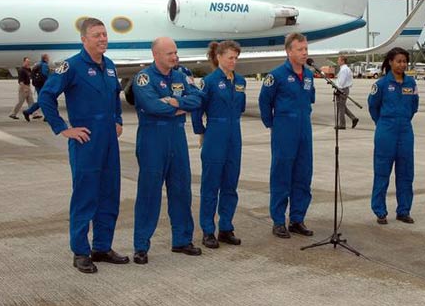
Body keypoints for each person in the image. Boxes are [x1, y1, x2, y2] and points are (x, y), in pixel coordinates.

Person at [39, 18, 128, 274]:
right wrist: (63, 128)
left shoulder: (109, 66)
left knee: (109, 195)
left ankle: (102, 247)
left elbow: (114, 96)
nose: (102, 39)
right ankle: (80, 251)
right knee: (85, 196)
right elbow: (46, 96)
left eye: (104, 34)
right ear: (84, 39)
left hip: (109, 141)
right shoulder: (72, 66)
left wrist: (118, 120)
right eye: (97, 35)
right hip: (86, 140)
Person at [131, 36, 205, 264]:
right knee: (149, 193)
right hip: (153, 139)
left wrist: (175, 103)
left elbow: (199, 98)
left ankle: (182, 240)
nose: (175, 57)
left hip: (177, 138)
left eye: (175, 52)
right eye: (169, 53)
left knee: (181, 189)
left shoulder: (181, 75)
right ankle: (141, 246)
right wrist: (180, 105)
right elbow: (151, 105)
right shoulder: (143, 78)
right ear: (155, 55)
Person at [258, 32, 316, 239]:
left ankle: (297, 219)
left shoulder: (309, 75)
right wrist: (272, 124)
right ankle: (279, 221)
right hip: (284, 130)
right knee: (282, 175)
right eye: (300, 49)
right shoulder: (276, 75)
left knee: (303, 174)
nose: (304, 53)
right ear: (289, 51)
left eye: (306, 49)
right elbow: (264, 102)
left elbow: (310, 99)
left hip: (304, 130)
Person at [191, 41, 246, 249]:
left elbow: (239, 106)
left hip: (235, 134)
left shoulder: (240, 81)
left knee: (230, 184)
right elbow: (197, 108)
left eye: (236, 58)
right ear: (219, 57)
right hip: (215, 132)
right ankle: (207, 230)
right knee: (211, 184)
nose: (234, 61)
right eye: (230, 57)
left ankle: (226, 227)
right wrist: (201, 132)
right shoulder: (209, 81)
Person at [368, 47, 419, 224]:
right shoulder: (381, 84)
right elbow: (373, 107)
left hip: (405, 130)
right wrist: (383, 123)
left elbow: (414, 106)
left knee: (406, 172)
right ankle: (380, 211)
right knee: (382, 171)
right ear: (390, 62)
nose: (402, 64)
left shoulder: (411, 83)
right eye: (398, 61)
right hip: (386, 131)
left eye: (404, 61)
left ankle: (404, 210)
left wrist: (402, 120)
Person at [23, 53, 50, 121]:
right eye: (48, 58)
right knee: (44, 100)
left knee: (42, 100)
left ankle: (46, 117)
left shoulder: (37, 64)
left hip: (37, 85)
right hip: (43, 85)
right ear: (46, 59)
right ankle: (28, 112)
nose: (49, 59)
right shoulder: (44, 65)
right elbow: (45, 75)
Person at [335, 55, 359, 129]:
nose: (337, 61)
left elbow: (341, 82)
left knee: (341, 107)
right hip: (343, 89)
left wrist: (338, 89)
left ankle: (342, 124)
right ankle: (353, 118)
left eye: (339, 60)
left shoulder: (344, 70)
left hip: (342, 89)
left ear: (343, 61)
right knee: (341, 106)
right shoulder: (345, 69)